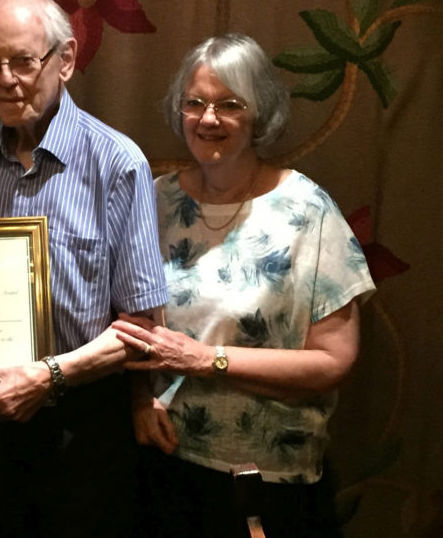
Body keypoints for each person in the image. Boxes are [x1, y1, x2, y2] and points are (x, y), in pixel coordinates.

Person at [0, 0, 169, 537]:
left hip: (80, 426)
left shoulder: (117, 162)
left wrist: (47, 375)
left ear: (66, 59)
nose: (6, 80)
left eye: (23, 61)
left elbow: (144, 329)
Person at [111, 33, 375, 538]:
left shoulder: (307, 210)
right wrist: (139, 400)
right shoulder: (155, 200)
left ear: (259, 114)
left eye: (229, 104)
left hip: (267, 482)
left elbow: (334, 361)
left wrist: (206, 359)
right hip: (165, 467)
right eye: (195, 103)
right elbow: (130, 321)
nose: (208, 119)